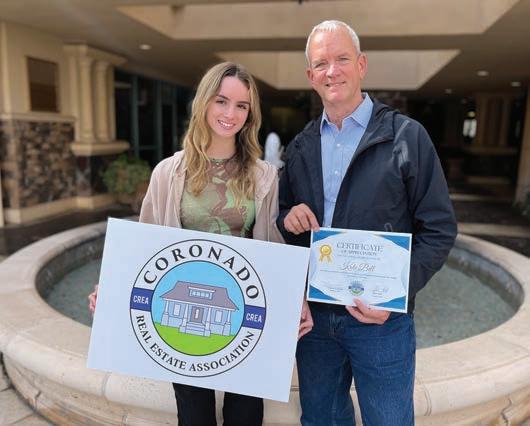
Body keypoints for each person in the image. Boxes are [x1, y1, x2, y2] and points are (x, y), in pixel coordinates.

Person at [89, 62, 313, 426]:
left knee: (246, 415)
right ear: (204, 102)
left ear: (250, 114)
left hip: (244, 312)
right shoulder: (168, 172)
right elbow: (144, 245)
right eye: (221, 101)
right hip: (181, 312)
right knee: (194, 416)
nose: (230, 113)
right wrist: (111, 288)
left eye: (241, 106)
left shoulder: (264, 176)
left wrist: (295, 297)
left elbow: (275, 248)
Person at [277, 20, 457, 426]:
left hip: (382, 321)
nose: (332, 71)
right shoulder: (301, 145)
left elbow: (439, 229)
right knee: (321, 419)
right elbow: (283, 216)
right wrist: (287, 217)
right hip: (317, 322)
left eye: (342, 59)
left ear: (361, 65)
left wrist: (397, 293)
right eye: (321, 64)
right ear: (310, 76)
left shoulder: (406, 137)